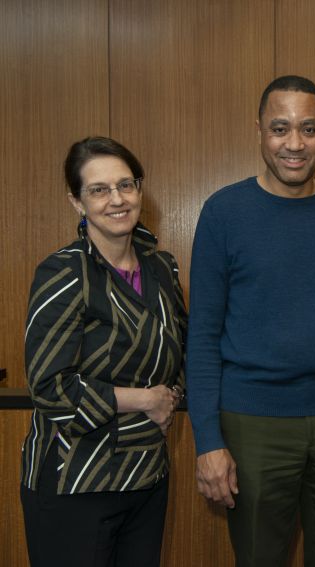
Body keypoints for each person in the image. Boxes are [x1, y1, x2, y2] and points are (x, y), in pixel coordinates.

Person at [186, 75, 315, 567]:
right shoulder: (223, 213)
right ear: (258, 130)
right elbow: (202, 338)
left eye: (308, 128)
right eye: (280, 129)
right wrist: (208, 440)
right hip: (253, 423)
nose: (294, 144)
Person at [20, 137, 186, 567]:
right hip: (75, 480)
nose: (117, 199)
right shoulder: (63, 272)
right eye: (99, 189)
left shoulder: (161, 268)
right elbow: (49, 386)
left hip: (146, 475)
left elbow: (181, 353)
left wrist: (170, 399)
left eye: (125, 185)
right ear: (76, 201)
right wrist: (144, 399)